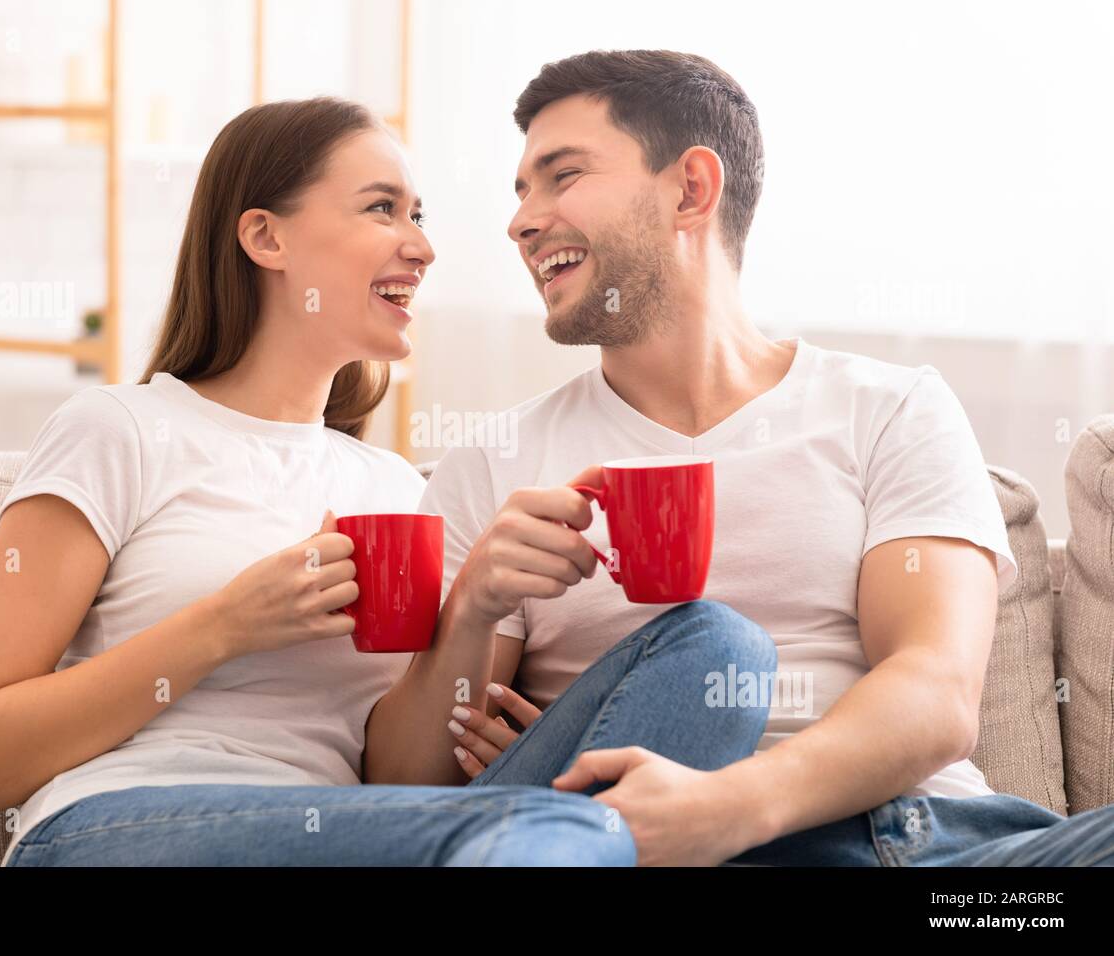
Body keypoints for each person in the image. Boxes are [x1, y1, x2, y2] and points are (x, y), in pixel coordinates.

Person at [0, 95, 773, 867]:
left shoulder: (395, 489)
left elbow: (400, 776)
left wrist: (471, 607)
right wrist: (225, 625)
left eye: (420, 214)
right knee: (564, 836)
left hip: (353, 831)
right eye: (381, 210)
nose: (424, 246)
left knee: (720, 650)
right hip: (118, 827)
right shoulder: (123, 431)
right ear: (266, 237)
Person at [388, 49, 1114, 866]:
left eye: (562, 176)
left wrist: (730, 806)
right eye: (521, 190)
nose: (521, 220)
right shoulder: (494, 462)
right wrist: (471, 613)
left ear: (692, 188)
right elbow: (406, 789)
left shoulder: (890, 408)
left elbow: (937, 694)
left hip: (932, 849)